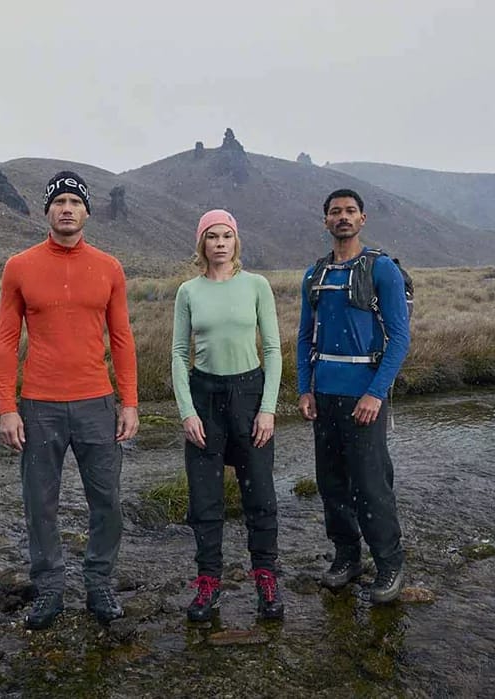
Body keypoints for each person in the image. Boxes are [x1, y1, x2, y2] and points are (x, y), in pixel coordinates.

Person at [0, 170, 139, 630]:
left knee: (107, 501)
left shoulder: (109, 267)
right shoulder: (19, 266)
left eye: (75, 202)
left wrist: (130, 402)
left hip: (97, 403)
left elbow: (122, 338)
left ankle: (98, 583)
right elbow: (5, 341)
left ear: (87, 212)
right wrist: (7, 407)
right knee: (40, 504)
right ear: (47, 211)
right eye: (59, 202)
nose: (67, 209)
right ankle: (50, 589)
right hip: (40, 406)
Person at [296, 188, 410, 604]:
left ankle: (390, 563)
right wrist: (304, 388)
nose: (342, 217)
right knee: (331, 483)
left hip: (365, 397)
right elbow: (304, 337)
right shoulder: (314, 275)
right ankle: (347, 557)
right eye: (334, 212)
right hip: (324, 395)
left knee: (371, 483)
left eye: (349, 211)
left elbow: (400, 338)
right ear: (325, 220)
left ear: (363, 219)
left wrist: (376, 393)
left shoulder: (382, 270)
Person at [171, 208, 284, 622]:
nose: (219, 243)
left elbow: (272, 350)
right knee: (205, 499)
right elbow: (179, 354)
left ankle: (266, 579)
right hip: (205, 397)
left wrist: (268, 409)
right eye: (212, 236)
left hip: (249, 395)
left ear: (236, 241)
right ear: (201, 243)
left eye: (226, 236)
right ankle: (208, 583)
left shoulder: (256, 285)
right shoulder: (188, 291)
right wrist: (187, 412)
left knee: (260, 496)